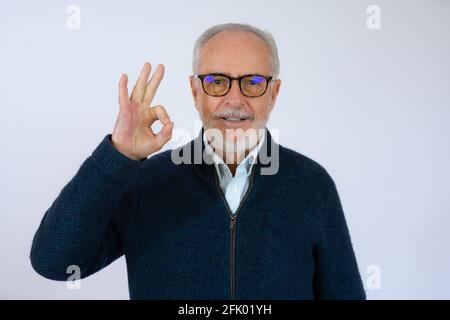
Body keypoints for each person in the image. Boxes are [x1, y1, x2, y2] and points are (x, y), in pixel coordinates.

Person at [30, 23, 366, 300]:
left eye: (253, 83)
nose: (235, 99)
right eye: (217, 82)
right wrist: (117, 155)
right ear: (195, 92)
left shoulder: (311, 184)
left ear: (273, 94)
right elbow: (54, 261)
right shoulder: (147, 182)